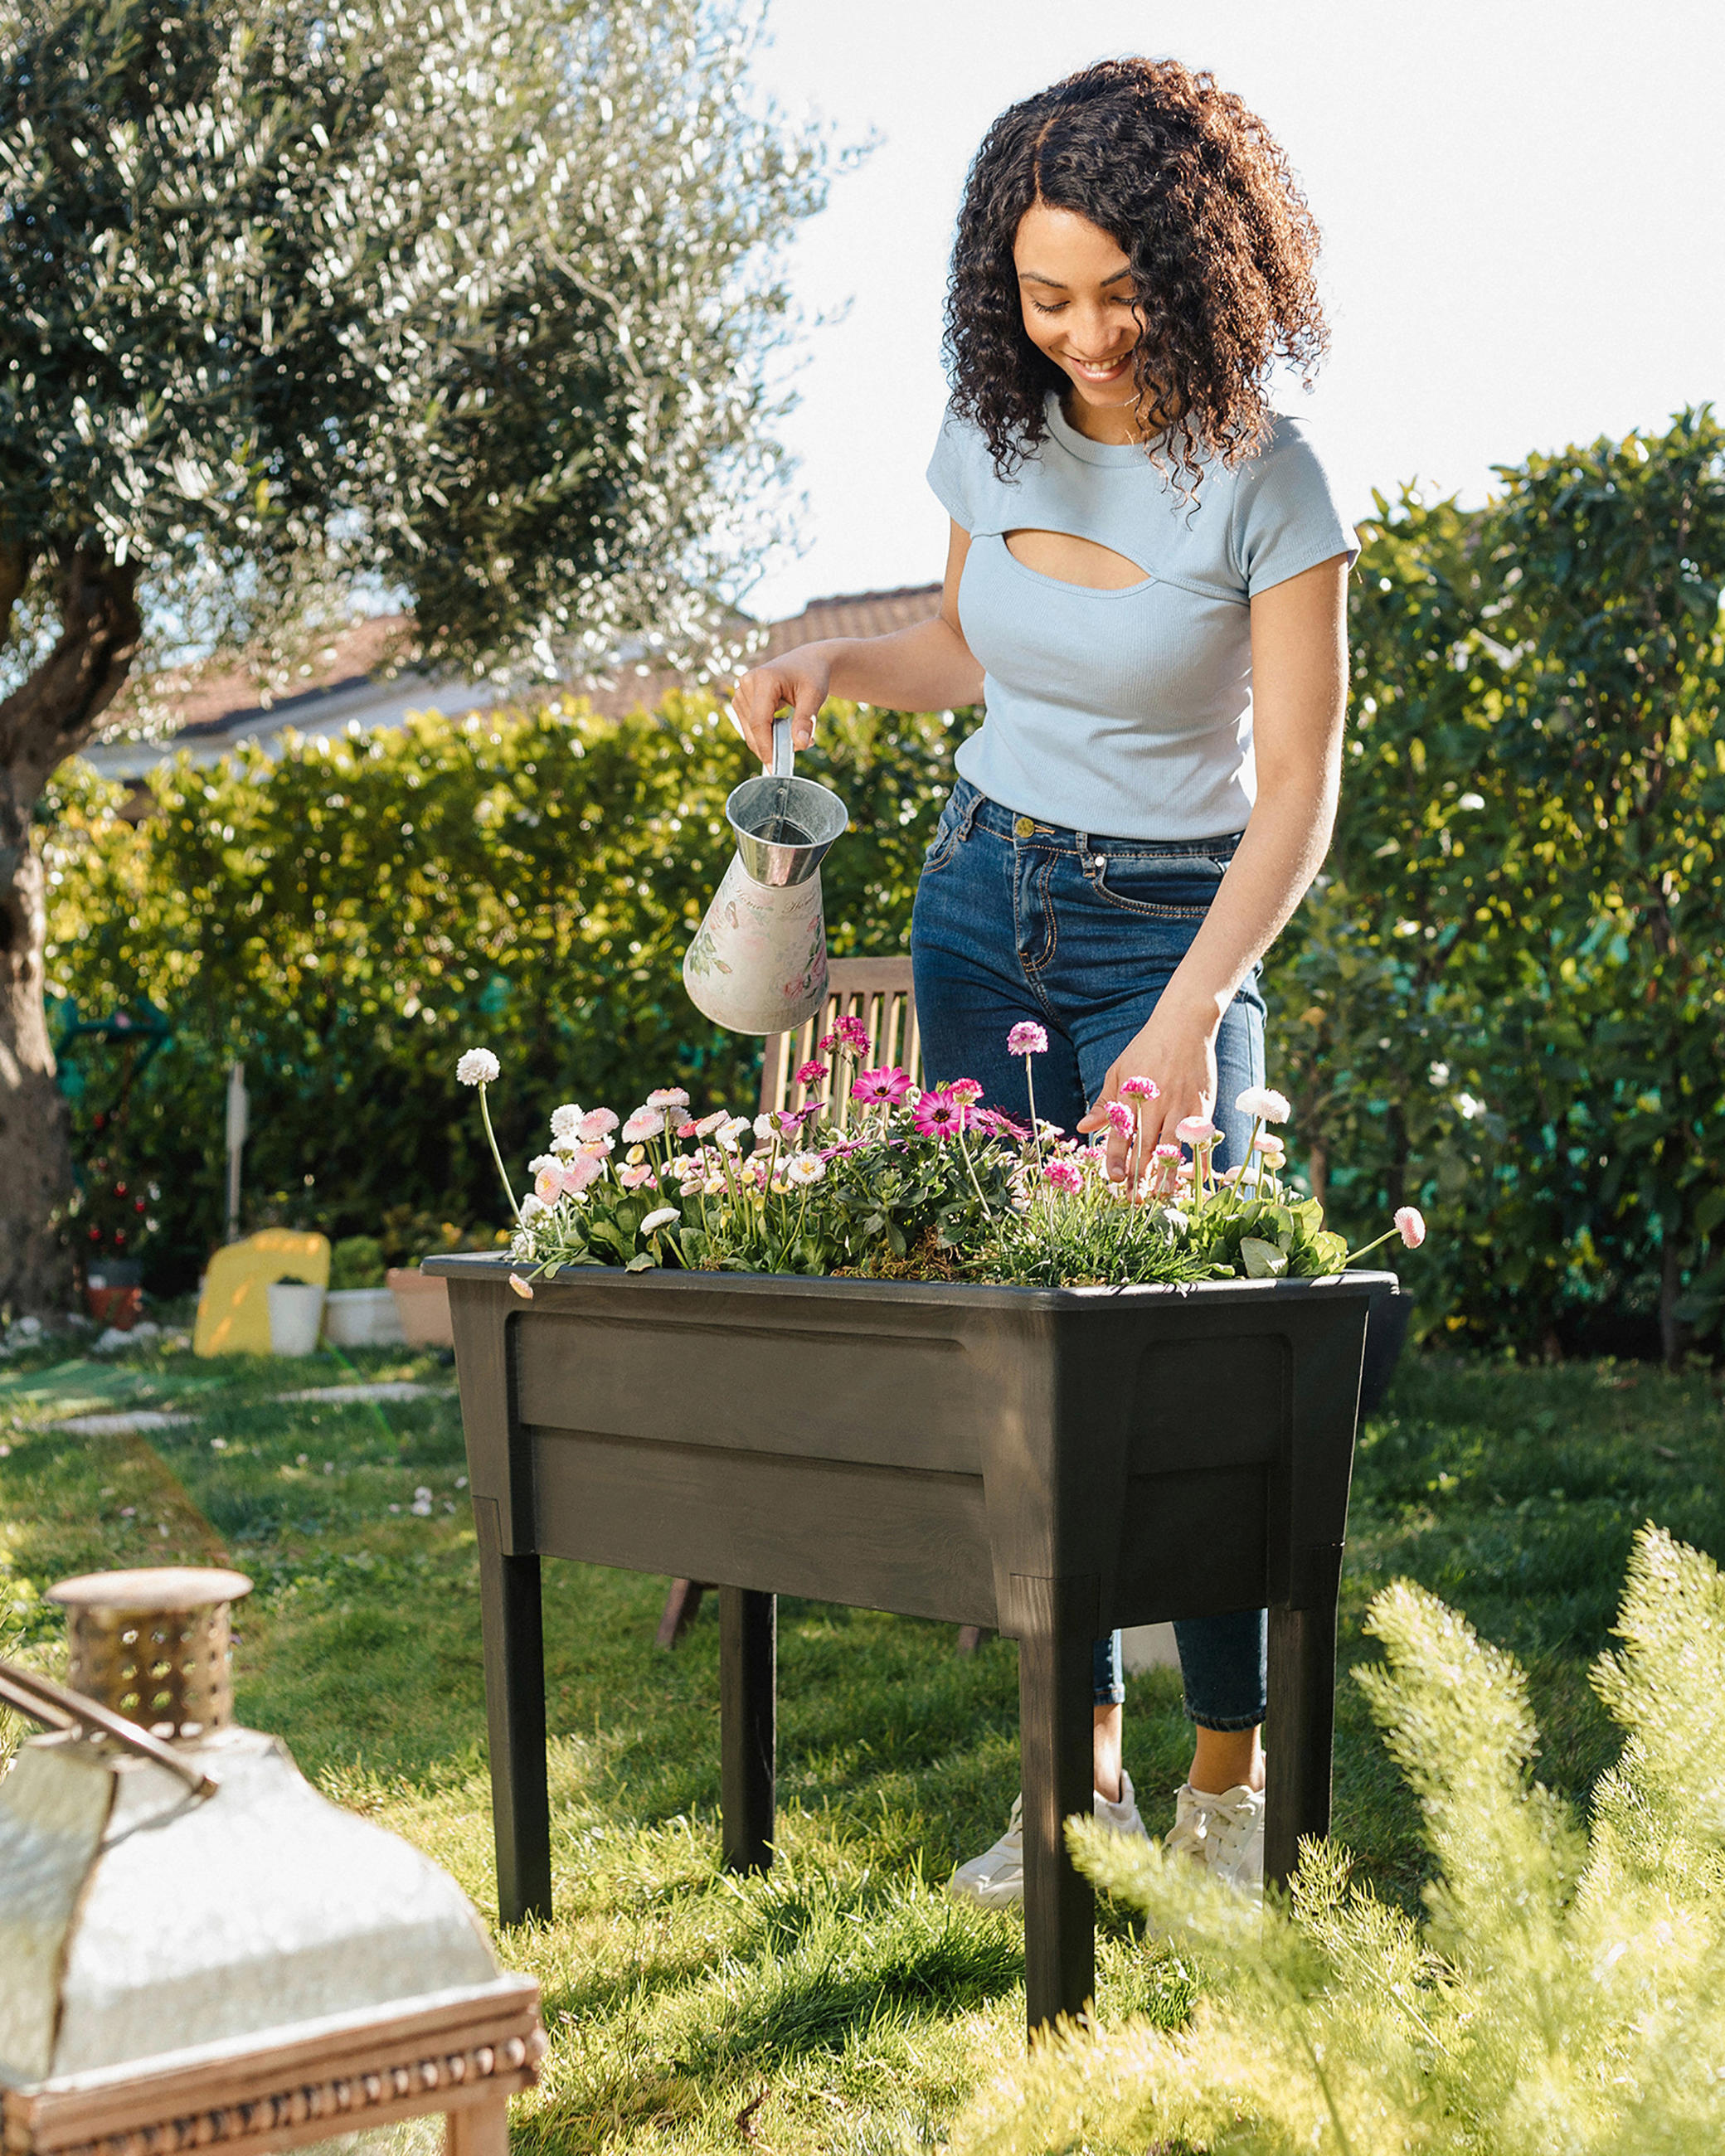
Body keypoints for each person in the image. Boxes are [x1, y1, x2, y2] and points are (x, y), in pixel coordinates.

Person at [730, 56, 1356, 1904]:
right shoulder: (992, 432)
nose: (1076, 332)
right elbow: (957, 645)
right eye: (1038, 293)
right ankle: (1064, 1775)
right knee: (1021, 1370)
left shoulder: (1270, 479)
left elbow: (1302, 788)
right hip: (977, 902)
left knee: (1187, 1380)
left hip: (1173, 931)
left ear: (1202, 257)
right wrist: (831, 664)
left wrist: (1184, 1015)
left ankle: (1224, 1786)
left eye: (1113, 289)